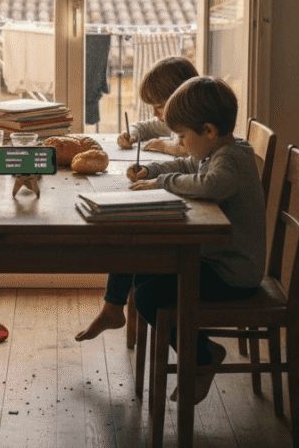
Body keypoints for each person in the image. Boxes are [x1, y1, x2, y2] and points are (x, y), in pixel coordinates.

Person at [128, 76, 267, 403]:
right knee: (142, 277)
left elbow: (210, 185)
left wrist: (163, 182)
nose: (180, 141)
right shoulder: (220, 148)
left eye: (182, 135)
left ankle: (204, 355)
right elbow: (187, 163)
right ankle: (201, 348)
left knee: (148, 296)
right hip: (218, 263)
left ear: (207, 130)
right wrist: (151, 170)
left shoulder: (230, 160)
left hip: (233, 275)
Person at [74, 55, 199, 342]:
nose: (156, 113)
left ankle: (113, 307)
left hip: (199, 239)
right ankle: (113, 307)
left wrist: (170, 150)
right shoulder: (181, 123)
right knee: (132, 228)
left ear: (180, 97)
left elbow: (193, 163)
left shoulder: (203, 134)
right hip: (185, 203)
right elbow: (147, 128)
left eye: (159, 105)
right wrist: (132, 133)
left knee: (136, 233)